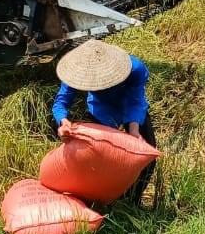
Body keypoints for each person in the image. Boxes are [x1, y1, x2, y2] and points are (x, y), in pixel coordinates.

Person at [51, 40, 157, 203]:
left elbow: (134, 101)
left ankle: (133, 199)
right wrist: (63, 121)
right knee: (97, 157)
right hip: (101, 109)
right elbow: (61, 102)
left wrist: (133, 130)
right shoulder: (77, 71)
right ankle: (103, 198)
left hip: (130, 107)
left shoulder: (135, 68)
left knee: (146, 155)